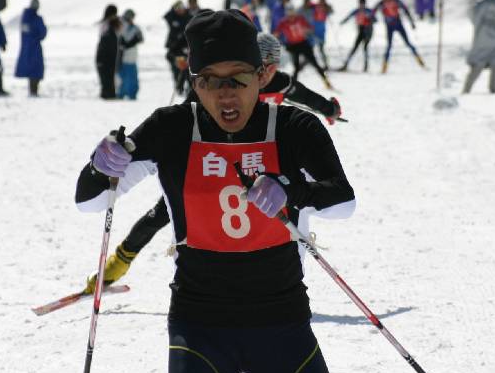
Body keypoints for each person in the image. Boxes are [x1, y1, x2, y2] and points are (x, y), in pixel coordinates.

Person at [75, 9, 355, 373]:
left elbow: (343, 201)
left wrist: (291, 191)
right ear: (195, 83)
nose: (225, 94)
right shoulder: (170, 127)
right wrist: (99, 165)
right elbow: (91, 201)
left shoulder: (294, 127)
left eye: (237, 79)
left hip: (283, 322)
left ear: (261, 77)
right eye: (210, 81)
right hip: (199, 328)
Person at [89, 32, 343, 290]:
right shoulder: (225, 87)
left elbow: (308, 98)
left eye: (270, 67)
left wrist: (330, 109)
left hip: (259, 173)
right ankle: (114, 268)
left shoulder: (281, 82)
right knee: (159, 215)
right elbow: (189, 117)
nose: (265, 74)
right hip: (210, 168)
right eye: (260, 65)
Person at [274, 6, 333, 88]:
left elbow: (310, 28)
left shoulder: (300, 19)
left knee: (315, 63)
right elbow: (276, 33)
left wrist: (308, 30)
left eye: (292, 13)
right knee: (296, 67)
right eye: (289, 13)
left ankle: (326, 80)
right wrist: (278, 40)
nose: (291, 15)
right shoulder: (283, 22)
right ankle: (292, 86)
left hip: (303, 43)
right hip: (293, 46)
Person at [373, 0, 425, 74]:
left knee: (408, 43)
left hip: (398, 24)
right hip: (389, 27)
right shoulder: (382, 3)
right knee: (389, 46)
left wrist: (411, 22)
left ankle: (420, 61)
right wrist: (372, 20)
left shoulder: (395, 1)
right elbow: (373, 12)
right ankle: (384, 67)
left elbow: (405, 9)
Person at [14, 0, 47, 97]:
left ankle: (32, 90)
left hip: (26, 48)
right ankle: (34, 91)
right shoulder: (37, 19)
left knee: (30, 69)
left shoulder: (25, 18)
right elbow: (42, 33)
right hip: (35, 48)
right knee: (36, 69)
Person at [337, 0, 376, 72]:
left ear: (365, 4)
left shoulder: (368, 11)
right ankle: (346, 65)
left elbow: (375, 20)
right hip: (360, 31)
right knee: (355, 48)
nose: (361, 5)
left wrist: (369, 19)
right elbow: (349, 16)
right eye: (360, 3)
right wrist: (343, 22)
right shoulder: (357, 11)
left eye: (362, 3)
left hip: (368, 31)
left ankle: (366, 66)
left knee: (365, 48)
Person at [164, 0, 192, 95]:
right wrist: (173, 8)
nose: (180, 10)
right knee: (177, 69)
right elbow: (167, 16)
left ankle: (189, 88)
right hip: (174, 48)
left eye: (181, 8)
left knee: (188, 70)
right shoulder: (172, 17)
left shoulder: (189, 16)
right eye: (177, 8)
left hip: (186, 47)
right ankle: (179, 88)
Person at [118, 9, 143, 100]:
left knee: (130, 76)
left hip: (131, 56)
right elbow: (122, 41)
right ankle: (122, 93)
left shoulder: (134, 27)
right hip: (123, 56)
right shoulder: (121, 26)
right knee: (124, 76)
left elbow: (140, 38)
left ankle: (130, 94)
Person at [96, 16, 121, 99]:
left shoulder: (109, 34)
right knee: (107, 79)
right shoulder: (110, 35)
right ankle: (109, 95)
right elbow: (104, 49)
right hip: (105, 62)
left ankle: (108, 94)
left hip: (105, 61)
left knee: (108, 79)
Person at [312, 0, 333, 69]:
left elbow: (331, 11)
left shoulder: (326, 7)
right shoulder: (315, 6)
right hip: (314, 28)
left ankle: (326, 64)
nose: (322, 1)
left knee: (321, 48)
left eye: (323, 0)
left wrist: (329, 8)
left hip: (321, 30)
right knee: (311, 48)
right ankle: (310, 63)